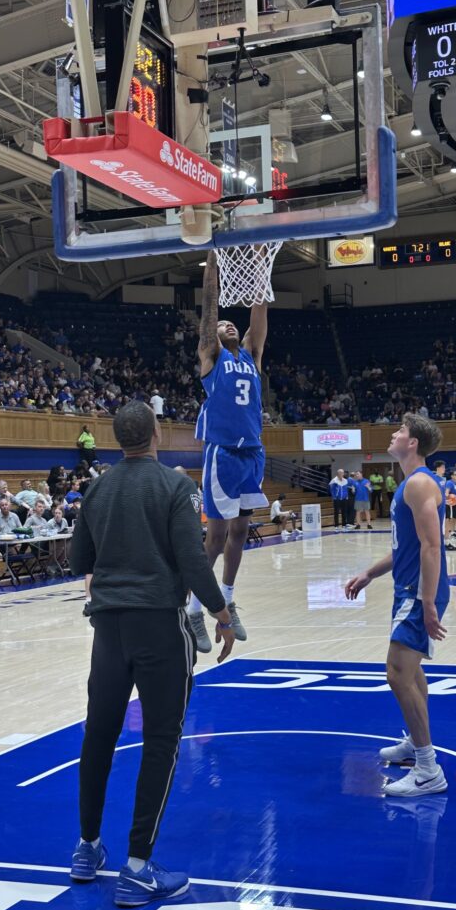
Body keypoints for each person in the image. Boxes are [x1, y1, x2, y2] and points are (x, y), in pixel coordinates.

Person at [68, 401, 234, 907]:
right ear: (157, 434)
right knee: (161, 740)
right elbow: (192, 559)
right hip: (159, 626)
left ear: (117, 439)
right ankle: (138, 868)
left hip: (107, 629)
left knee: (99, 735)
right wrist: (221, 613)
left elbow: (79, 559)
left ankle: (87, 847)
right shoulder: (175, 487)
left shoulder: (96, 487)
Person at [345, 413, 449, 797]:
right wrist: (370, 573)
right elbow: (404, 547)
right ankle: (416, 743)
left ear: (413, 443)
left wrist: (427, 602)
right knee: (411, 670)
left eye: (401, 431)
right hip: (409, 588)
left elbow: (432, 546)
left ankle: (427, 769)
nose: (394, 433)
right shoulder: (412, 483)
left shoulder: (420, 483)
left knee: (397, 672)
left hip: (417, 591)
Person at [189, 250, 268, 653]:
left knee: (241, 531)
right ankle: (193, 607)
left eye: (230, 323)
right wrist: (212, 267)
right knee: (216, 537)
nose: (227, 324)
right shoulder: (212, 357)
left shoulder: (251, 357)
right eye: (222, 325)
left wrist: (260, 264)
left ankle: (228, 597)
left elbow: (258, 314)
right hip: (223, 455)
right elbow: (208, 312)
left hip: (253, 453)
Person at [433, 461, 456, 551]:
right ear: (438, 468)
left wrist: (449, 499)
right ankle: (442, 544)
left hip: (445, 504)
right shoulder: (434, 479)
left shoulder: (443, 479)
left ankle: (446, 543)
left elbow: (443, 493)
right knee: (442, 525)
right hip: (438, 505)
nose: (444, 469)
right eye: (443, 467)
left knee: (447, 524)